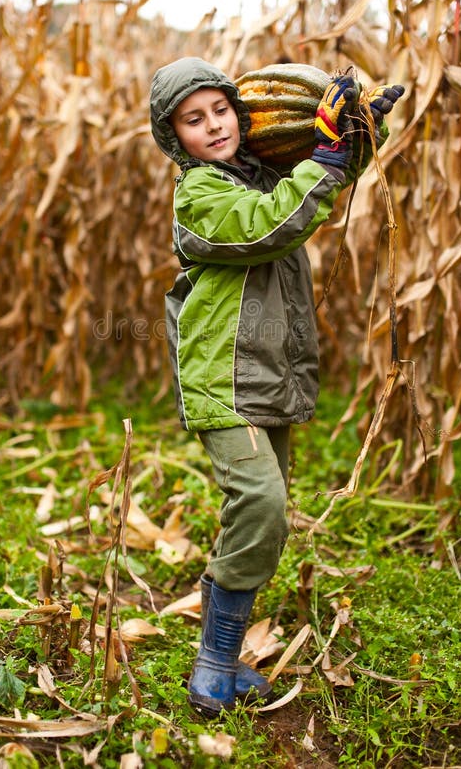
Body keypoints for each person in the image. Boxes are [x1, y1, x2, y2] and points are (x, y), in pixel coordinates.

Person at [149, 57, 404, 717]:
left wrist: (354, 141)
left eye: (221, 110)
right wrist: (324, 159)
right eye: (193, 119)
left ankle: (226, 655)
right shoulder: (201, 196)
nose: (213, 126)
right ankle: (211, 660)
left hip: (272, 369)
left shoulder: (264, 176)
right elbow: (272, 222)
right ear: (175, 136)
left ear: (240, 112)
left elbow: (314, 192)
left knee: (268, 517)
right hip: (224, 377)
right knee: (260, 501)